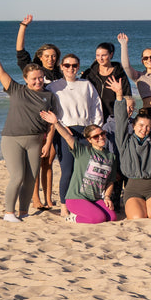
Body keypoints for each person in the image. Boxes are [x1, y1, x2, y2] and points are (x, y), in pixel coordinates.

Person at [40, 112, 118, 224]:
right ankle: (73, 218)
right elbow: (67, 137)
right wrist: (56, 123)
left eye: (102, 134)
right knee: (98, 218)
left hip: (95, 199)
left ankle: (88, 211)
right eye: (96, 136)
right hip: (76, 198)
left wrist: (107, 197)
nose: (100, 137)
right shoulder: (83, 151)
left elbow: (110, 181)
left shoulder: (111, 157)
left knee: (112, 217)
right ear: (89, 140)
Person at [48, 54, 104, 204]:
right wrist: (60, 125)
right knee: (67, 170)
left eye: (74, 66)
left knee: (86, 170)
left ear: (78, 67)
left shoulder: (86, 84)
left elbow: (96, 107)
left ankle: (85, 201)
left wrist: (95, 129)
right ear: (61, 67)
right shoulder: (53, 86)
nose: (70, 68)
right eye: (67, 65)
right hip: (64, 132)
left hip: (86, 132)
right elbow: (48, 110)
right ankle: (64, 204)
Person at [109, 81, 151, 220]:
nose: (144, 129)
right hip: (133, 188)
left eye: (148, 126)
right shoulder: (125, 141)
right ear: (134, 126)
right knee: (137, 217)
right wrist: (119, 95)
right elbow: (121, 120)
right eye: (141, 125)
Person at [84, 42, 130, 119]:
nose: (100, 58)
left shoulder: (119, 74)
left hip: (113, 117)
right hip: (93, 116)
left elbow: (127, 95)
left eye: (104, 55)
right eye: (98, 55)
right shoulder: (89, 73)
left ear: (111, 55)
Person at [14, 15, 62, 82]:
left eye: (53, 56)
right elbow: (20, 51)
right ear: (40, 57)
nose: (50, 59)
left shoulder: (61, 73)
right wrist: (23, 26)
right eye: (47, 56)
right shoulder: (34, 71)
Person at [119, 32, 151, 102]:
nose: (149, 60)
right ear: (142, 61)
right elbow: (126, 66)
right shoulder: (139, 76)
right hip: (149, 111)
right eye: (145, 58)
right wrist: (124, 44)